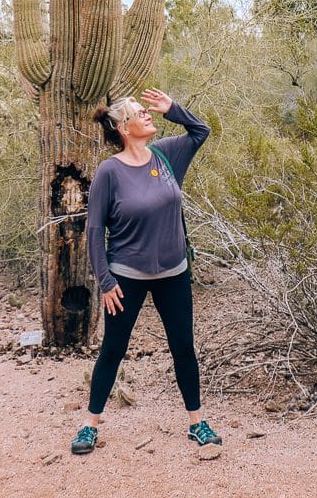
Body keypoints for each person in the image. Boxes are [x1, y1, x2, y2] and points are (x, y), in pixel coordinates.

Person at [70, 88, 220, 454]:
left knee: (183, 347)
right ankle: (90, 425)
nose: (147, 115)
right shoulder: (110, 171)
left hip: (174, 273)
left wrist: (173, 110)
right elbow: (94, 230)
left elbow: (201, 131)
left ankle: (196, 423)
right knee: (113, 349)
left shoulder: (167, 155)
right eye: (140, 113)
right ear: (123, 127)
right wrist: (105, 280)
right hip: (126, 278)